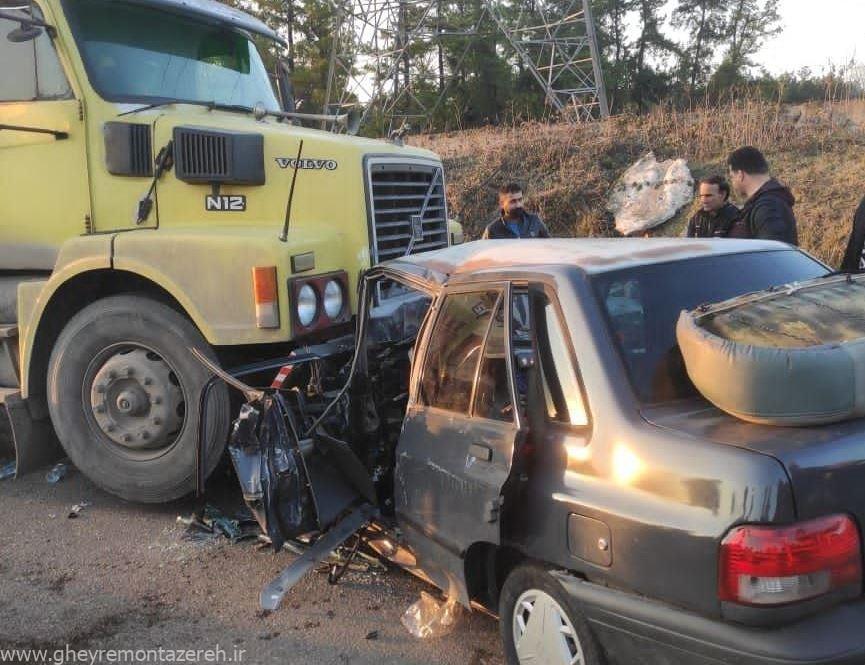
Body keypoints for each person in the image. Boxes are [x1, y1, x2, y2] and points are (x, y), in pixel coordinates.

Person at [725, 146, 798, 245]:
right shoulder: (770, 201)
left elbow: (770, 253)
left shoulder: (767, 207)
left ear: (740, 174)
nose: (732, 183)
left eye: (732, 177)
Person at [482, 183, 550, 239]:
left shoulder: (534, 221)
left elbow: (549, 247)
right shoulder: (492, 229)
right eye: (513, 201)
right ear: (501, 204)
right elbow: (484, 253)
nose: (518, 205)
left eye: (520, 200)